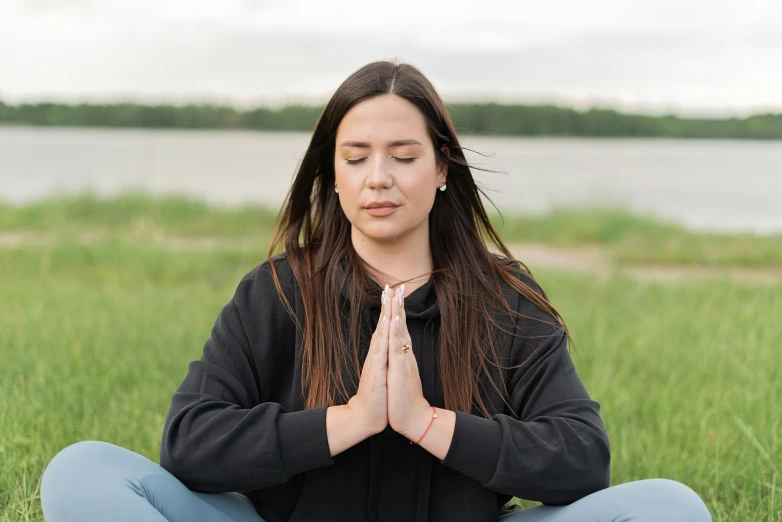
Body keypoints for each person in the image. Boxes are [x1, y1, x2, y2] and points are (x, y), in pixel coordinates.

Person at [39, 60, 712, 522]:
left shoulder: (506, 298)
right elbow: (188, 440)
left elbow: (582, 456)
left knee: (672, 507)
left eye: (404, 155)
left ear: (442, 167)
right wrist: (351, 421)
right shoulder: (276, 290)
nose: (378, 178)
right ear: (333, 174)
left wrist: (428, 424)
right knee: (80, 471)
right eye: (356, 158)